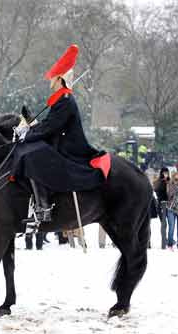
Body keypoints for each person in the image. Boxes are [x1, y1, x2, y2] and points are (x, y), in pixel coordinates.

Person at [12, 45, 105, 224]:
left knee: (31, 156)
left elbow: (50, 128)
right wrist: (30, 125)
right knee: (29, 150)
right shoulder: (61, 100)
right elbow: (48, 124)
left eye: (53, 78)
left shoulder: (65, 100)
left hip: (67, 147)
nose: (50, 81)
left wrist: (27, 135)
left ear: (60, 79)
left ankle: (43, 208)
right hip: (57, 141)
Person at [153, 167, 170, 249]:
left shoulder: (170, 180)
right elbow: (156, 189)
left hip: (170, 205)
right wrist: (162, 181)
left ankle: (169, 239)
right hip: (161, 204)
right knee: (164, 223)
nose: (166, 174)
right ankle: (164, 239)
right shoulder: (158, 181)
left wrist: (168, 182)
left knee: (170, 223)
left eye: (167, 172)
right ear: (162, 173)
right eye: (164, 172)